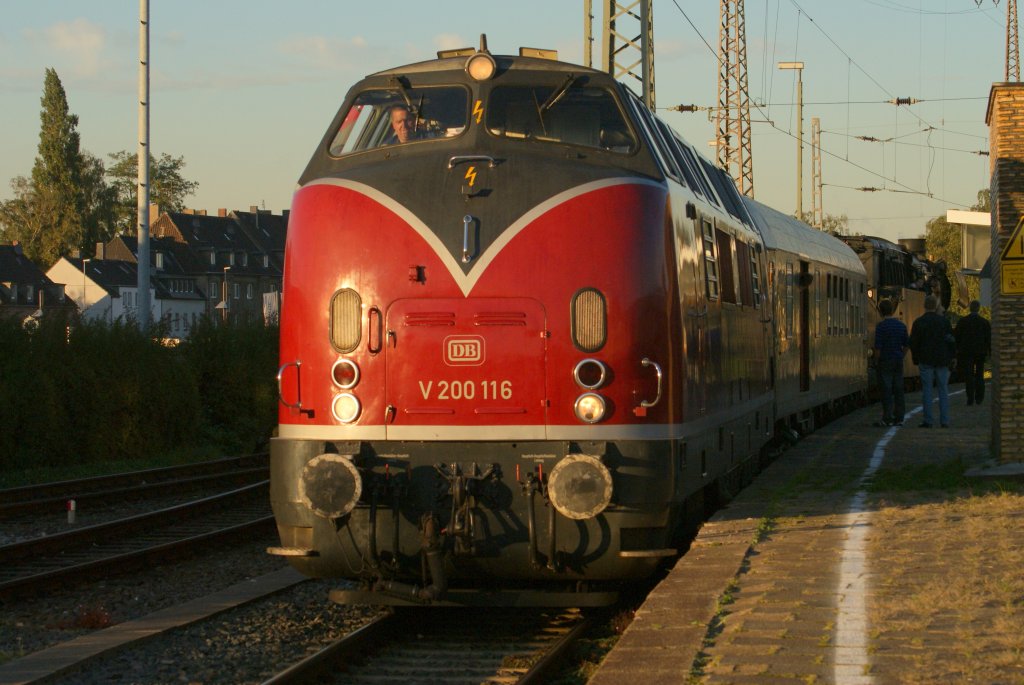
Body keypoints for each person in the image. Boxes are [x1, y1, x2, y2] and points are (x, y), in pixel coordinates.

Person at [909, 294, 956, 428]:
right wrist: (953, 356)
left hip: (925, 360)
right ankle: (945, 420)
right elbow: (951, 341)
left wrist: (915, 357)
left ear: (924, 306)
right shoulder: (944, 322)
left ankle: (928, 420)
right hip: (942, 360)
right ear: (936, 306)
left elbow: (913, 342)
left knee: (927, 391)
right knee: (943, 390)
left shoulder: (919, 322)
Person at [872, 299, 909, 426]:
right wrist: (901, 356)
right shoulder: (901, 326)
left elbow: (878, 348)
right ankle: (899, 417)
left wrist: (876, 361)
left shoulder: (881, 327)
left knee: (886, 390)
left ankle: (887, 417)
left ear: (881, 312)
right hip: (898, 360)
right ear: (892, 311)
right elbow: (906, 345)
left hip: (885, 361)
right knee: (898, 389)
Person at [954, 299, 991, 405]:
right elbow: (988, 338)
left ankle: (970, 397)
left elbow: (957, 337)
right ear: (978, 309)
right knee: (980, 375)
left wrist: (957, 350)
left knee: (969, 375)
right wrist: (989, 351)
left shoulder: (963, 321)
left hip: (966, 352)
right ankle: (979, 397)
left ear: (970, 308)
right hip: (980, 352)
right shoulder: (984, 322)